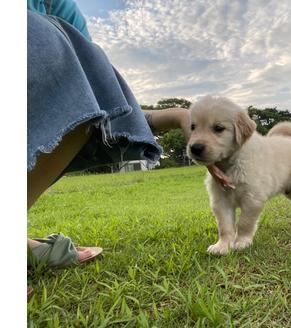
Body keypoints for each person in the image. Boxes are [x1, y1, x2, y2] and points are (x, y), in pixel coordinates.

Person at [27, 0, 232, 286]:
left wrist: (179, 117)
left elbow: (93, 97)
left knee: (84, 57)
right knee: (41, 33)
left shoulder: (56, 5)